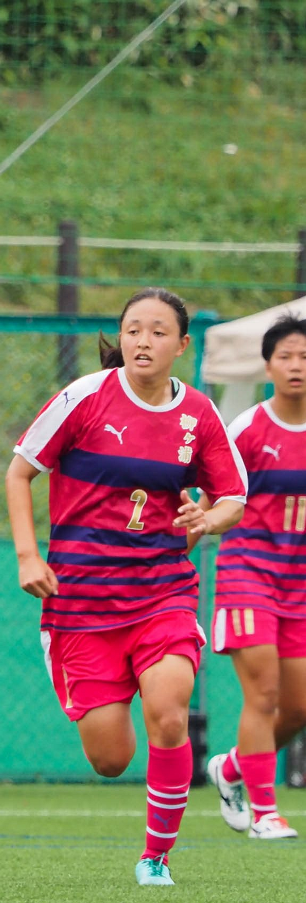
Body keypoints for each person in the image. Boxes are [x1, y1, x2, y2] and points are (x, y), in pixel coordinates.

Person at [5, 287, 247, 887]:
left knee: (169, 714)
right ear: (122, 337)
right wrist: (28, 555)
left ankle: (155, 858)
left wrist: (206, 519)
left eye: (159, 331)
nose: (144, 341)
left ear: (182, 346)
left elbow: (234, 496)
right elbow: (19, 471)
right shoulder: (84, 397)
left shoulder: (199, 416)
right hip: (82, 604)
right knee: (111, 759)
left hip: (162, 592)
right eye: (134, 329)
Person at [206, 313, 306, 840]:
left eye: (305, 357)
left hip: (301, 584)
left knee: (297, 708)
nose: (296, 366)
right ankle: (265, 813)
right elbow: (210, 499)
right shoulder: (246, 428)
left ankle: (230, 769)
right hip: (249, 573)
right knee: (263, 695)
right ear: (267, 364)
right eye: (286, 356)